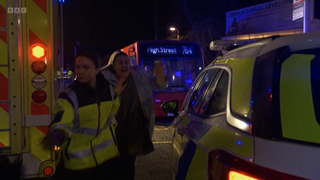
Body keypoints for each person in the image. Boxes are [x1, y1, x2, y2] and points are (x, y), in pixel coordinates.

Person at [47, 49, 126, 180]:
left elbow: (112, 115)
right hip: (79, 165)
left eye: (86, 67)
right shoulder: (69, 96)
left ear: (97, 69)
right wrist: (58, 134)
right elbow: (63, 122)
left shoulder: (109, 91)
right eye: (78, 67)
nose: (80, 71)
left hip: (108, 159)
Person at [100, 51, 168, 180]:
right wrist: (115, 92)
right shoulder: (104, 78)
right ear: (113, 66)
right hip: (113, 130)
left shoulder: (139, 74)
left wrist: (160, 76)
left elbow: (159, 85)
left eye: (127, 62)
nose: (124, 65)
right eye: (120, 63)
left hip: (133, 129)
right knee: (112, 166)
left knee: (128, 166)